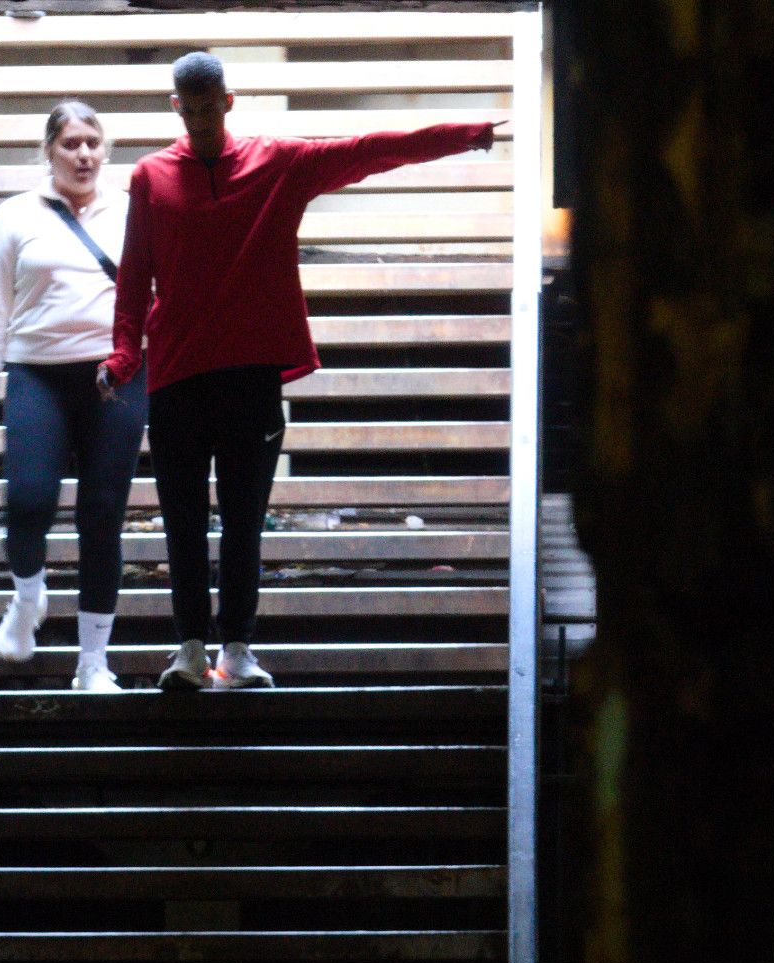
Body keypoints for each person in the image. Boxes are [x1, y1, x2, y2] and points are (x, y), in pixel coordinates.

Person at [98, 50, 501, 693]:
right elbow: (133, 275)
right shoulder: (150, 177)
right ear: (177, 107)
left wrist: (464, 135)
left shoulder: (277, 163)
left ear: (229, 101)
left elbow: (368, 149)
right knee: (181, 519)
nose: (202, 119)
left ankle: (237, 650)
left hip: (250, 374)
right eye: (190, 109)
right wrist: (124, 356)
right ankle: (190, 651)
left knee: (244, 519)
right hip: (175, 376)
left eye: (212, 107)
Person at [0, 100, 147, 693]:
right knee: (29, 500)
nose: (84, 154)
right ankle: (27, 599)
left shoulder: (133, 209)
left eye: (93, 141)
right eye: (71, 143)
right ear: (49, 150)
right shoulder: (15, 214)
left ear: (106, 148)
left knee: (102, 518)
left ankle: (92, 663)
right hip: (36, 372)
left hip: (115, 376)